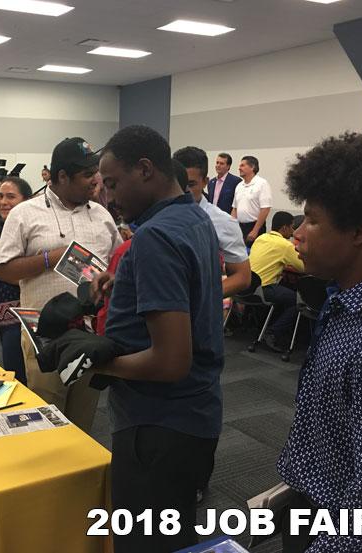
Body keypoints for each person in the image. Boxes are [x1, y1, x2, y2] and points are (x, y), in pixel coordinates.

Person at [92, 125, 223, 553]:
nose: (109, 198)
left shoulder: (154, 236)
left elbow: (169, 362)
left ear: (145, 169)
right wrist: (126, 279)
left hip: (157, 425)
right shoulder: (192, 217)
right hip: (193, 416)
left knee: (143, 544)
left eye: (113, 184)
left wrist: (98, 362)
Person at [278, 132, 362, 552]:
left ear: (359, 232)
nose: (298, 232)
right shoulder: (348, 300)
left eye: (312, 219)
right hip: (316, 497)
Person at [0, 136, 122, 433]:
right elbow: (4, 269)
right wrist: (50, 258)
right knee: (47, 422)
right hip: (44, 333)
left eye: (96, 172)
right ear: (62, 176)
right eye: (87, 174)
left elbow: (117, 263)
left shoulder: (102, 215)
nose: (96, 180)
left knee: (82, 421)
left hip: (90, 334)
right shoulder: (24, 214)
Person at [174, 147, 251, 298]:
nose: (184, 191)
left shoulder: (222, 222)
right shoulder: (160, 215)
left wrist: (203, 297)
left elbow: (242, 277)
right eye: (179, 184)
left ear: (205, 182)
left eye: (191, 184)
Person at [0, 177, 33, 384]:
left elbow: (23, 276)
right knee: (12, 366)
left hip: (22, 311)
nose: (3, 202)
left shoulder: (29, 230)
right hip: (4, 307)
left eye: (11, 196)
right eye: (0, 196)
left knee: (20, 373)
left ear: (26, 200)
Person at [248, 211, 305, 351]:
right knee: (297, 301)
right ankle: (272, 333)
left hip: (247, 287)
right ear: (284, 228)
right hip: (265, 288)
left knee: (284, 291)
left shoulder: (261, 238)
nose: (293, 232)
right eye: (292, 227)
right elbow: (303, 268)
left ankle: (267, 327)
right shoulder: (284, 245)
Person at [231, 155, 272, 245]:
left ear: (252, 167)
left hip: (255, 227)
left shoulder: (261, 184)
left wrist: (255, 230)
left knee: (253, 256)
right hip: (240, 227)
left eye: (242, 165)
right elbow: (235, 209)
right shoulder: (239, 186)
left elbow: (265, 209)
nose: (239, 168)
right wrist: (232, 227)